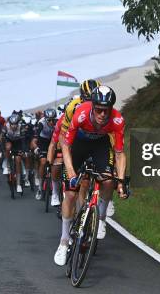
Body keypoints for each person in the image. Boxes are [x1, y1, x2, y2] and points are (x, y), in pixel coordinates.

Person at [54, 85, 128, 266]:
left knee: (109, 180)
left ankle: (101, 219)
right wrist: (71, 172)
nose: (103, 114)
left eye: (106, 110)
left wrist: (121, 181)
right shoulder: (80, 113)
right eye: (99, 110)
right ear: (93, 107)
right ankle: (64, 241)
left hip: (100, 145)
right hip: (78, 144)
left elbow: (119, 153)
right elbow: (65, 145)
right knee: (71, 193)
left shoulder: (117, 120)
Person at [31, 108, 57, 200]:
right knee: (43, 161)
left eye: (53, 120)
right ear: (45, 119)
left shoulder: (58, 123)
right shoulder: (41, 123)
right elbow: (34, 140)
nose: (51, 122)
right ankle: (40, 188)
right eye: (49, 120)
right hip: (43, 142)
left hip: (53, 141)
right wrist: (36, 148)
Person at [3, 113, 27, 193]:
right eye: (12, 124)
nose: (13, 126)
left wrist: (23, 151)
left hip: (18, 143)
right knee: (8, 147)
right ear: (9, 123)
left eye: (15, 124)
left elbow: (23, 141)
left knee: (18, 159)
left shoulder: (21, 127)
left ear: (18, 123)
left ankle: (18, 184)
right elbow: (3, 139)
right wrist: (4, 150)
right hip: (9, 141)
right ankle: (7, 165)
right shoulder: (6, 126)